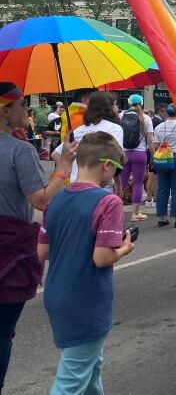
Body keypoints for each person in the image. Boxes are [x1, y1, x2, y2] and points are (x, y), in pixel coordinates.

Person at [37, 132, 134, 394]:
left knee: (90, 364)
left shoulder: (55, 200)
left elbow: (42, 250)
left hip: (57, 294)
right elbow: (102, 258)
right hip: (88, 299)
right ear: (106, 165)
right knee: (70, 380)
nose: (116, 175)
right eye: (117, 169)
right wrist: (124, 248)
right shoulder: (108, 202)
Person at [0, 83, 76, 392]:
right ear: (6, 111)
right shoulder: (20, 150)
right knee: (3, 331)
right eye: (22, 106)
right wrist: (63, 167)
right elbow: (41, 200)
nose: (27, 112)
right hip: (9, 251)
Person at [52, 91, 123, 195]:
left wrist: (72, 172)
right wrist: (117, 184)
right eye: (115, 103)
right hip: (100, 189)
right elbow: (114, 160)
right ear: (109, 107)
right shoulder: (115, 129)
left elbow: (56, 154)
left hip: (75, 186)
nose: (117, 107)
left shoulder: (80, 130)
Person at [153, 103, 176, 228]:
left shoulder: (159, 127)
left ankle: (161, 218)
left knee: (162, 189)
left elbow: (155, 145)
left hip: (163, 158)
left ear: (167, 113)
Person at [120, 95, 155, 222]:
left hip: (124, 154)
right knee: (138, 183)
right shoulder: (146, 118)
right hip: (140, 154)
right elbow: (150, 141)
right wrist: (153, 155)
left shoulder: (121, 116)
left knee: (122, 182)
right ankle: (135, 213)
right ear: (142, 103)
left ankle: (118, 212)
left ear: (128, 103)